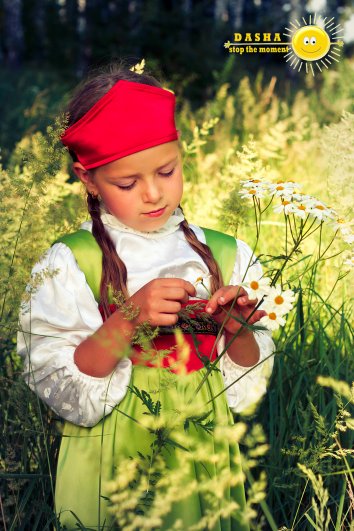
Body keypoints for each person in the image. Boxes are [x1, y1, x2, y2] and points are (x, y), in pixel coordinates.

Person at [17, 63, 274, 530]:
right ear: (88, 179)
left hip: (202, 448)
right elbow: (60, 381)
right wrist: (128, 318)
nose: (154, 194)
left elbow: (246, 385)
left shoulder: (224, 253)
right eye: (127, 183)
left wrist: (235, 325)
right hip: (110, 454)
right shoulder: (72, 262)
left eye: (167, 170)